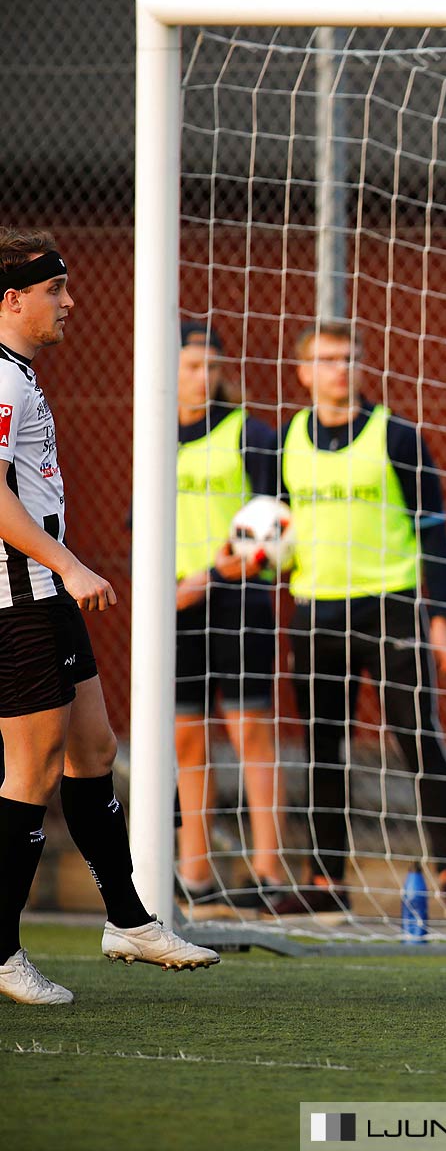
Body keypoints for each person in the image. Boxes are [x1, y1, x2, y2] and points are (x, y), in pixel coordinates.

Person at [0, 228, 218, 1005]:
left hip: (43, 591)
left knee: (94, 749)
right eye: (56, 290)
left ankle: (127, 920)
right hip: (19, 597)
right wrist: (67, 563)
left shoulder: (22, 374)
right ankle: (2, 952)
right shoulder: (2, 377)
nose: (70, 302)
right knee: (29, 772)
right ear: (13, 298)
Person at [275, 321, 446, 919]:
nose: (340, 368)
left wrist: (438, 614)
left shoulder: (396, 436)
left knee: (418, 741)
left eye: (349, 358)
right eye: (327, 359)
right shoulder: (285, 439)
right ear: (304, 372)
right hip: (315, 612)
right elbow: (275, 526)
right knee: (323, 750)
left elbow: (433, 530)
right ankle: (325, 879)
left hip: (391, 608)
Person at [172, 322, 286, 913]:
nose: (202, 376)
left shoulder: (252, 435)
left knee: (249, 735)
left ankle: (267, 872)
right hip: (175, 606)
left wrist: (213, 575)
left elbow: (274, 527)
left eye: (211, 366)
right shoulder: (155, 435)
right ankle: (194, 874)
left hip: (238, 603)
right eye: (191, 365)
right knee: (187, 738)